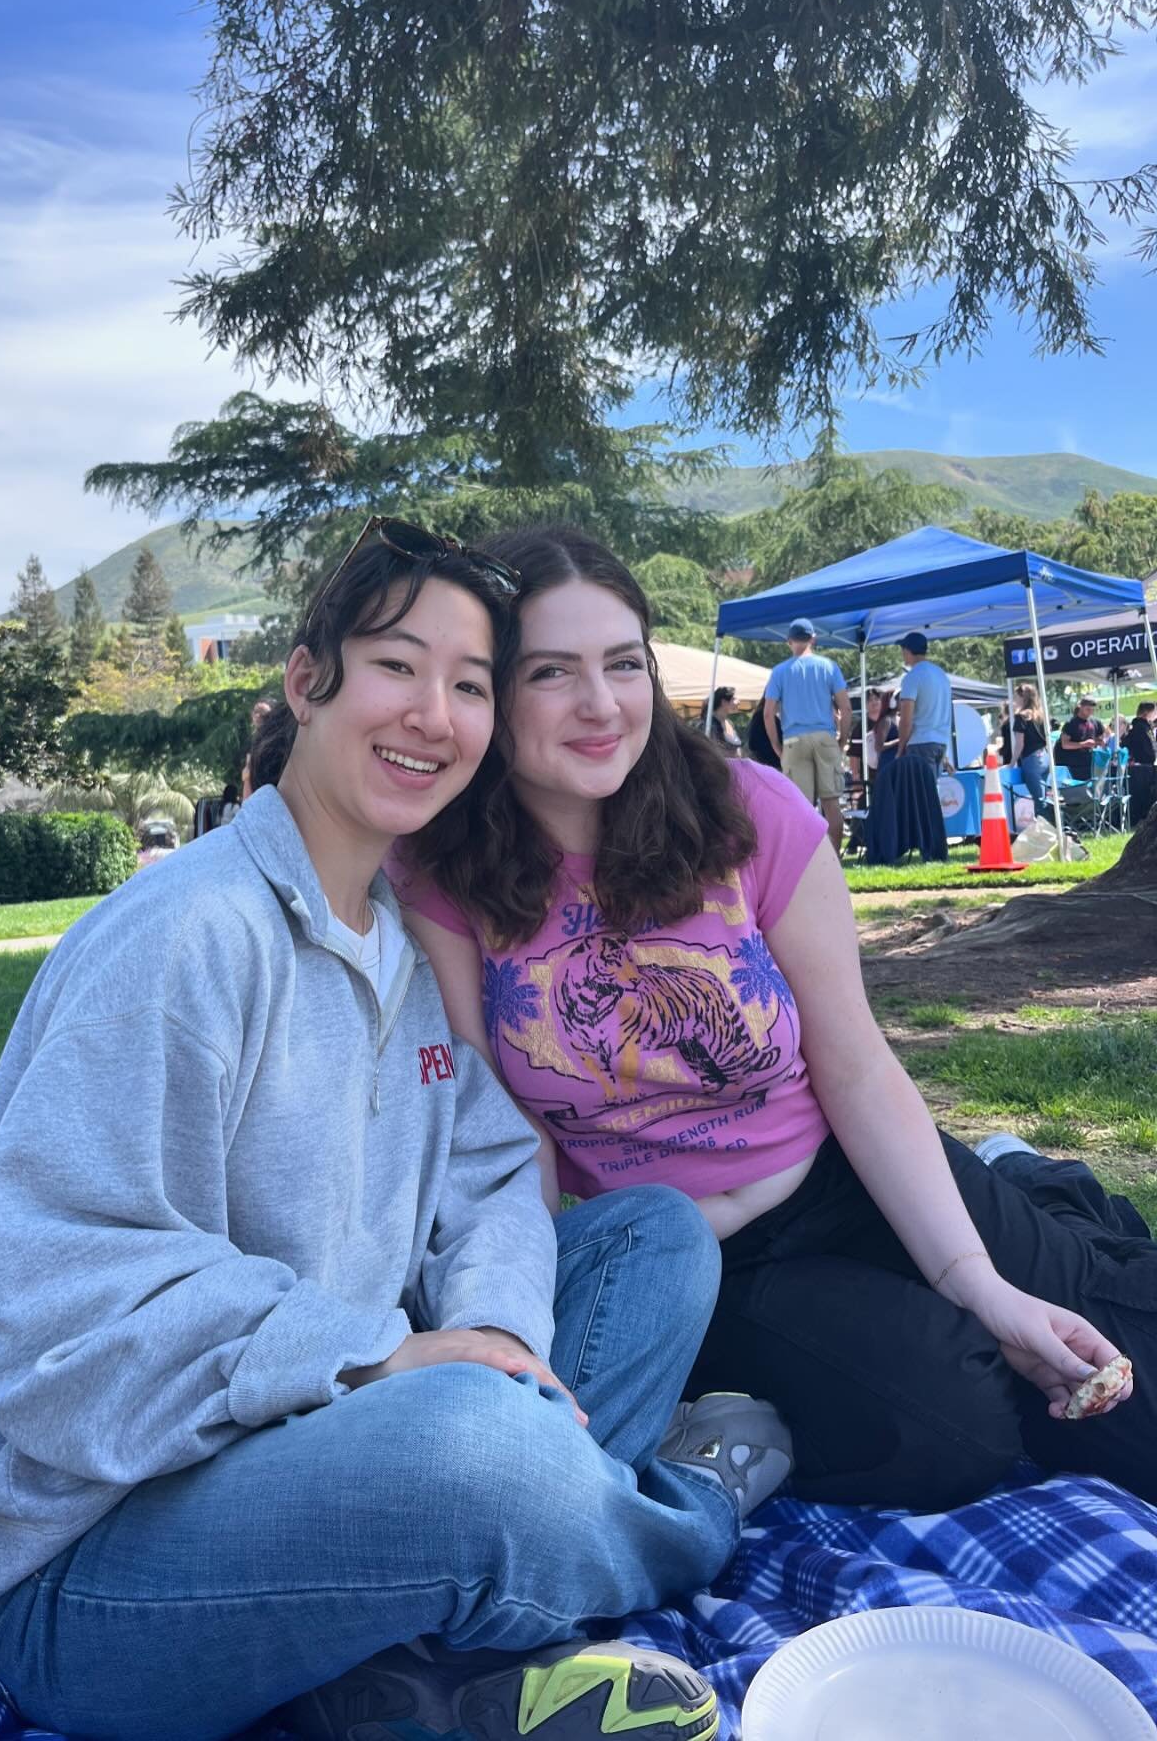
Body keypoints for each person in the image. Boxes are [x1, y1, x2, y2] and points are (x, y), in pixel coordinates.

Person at [0, 517, 784, 1741]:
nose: (433, 712)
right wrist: (377, 1359)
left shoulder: (392, 941)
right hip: (93, 1563)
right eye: (396, 664)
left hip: (320, 1437)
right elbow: (52, 1313)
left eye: (472, 684)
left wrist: (484, 1328)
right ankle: (685, 1514)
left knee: (653, 1239)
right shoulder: (187, 937)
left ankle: (408, 1660)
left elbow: (488, 1171)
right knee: (475, 1450)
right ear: (306, 680)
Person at [397, 525, 1153, 1518]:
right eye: (550, 672)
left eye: (623, 664)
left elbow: (854, 1064)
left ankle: (1034, 1196)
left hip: (846, 1169)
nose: (600, 705)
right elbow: (506, 1131)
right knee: (952, 1428)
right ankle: (1027, 1219)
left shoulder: (746, 812)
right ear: (492, 688)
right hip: (692, 1258)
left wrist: (977, 1278)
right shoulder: (445, 874)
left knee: (1117, 1375)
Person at [762, 619, 852, 855]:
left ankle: (806, 864)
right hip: (824, 737)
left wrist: (776, 745)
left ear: (789, 642)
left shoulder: (780, 671)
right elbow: (846, 707)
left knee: (800, 807)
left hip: (793, 740)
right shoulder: (829, 667)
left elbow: (768, 713)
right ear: (813, 639)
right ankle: (834, 860)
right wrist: (841, 741)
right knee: (832, 803)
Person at [895, 631, 952, 781]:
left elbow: (906, 720)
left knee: (921, 796)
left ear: (907, 651)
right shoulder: (941, 675)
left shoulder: (912, 677)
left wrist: (900, 749)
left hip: (920, 743)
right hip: (941, 742)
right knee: (932, 793)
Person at [1009, 683, 1050, 813]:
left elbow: (1020, 744)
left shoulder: (1021, 716)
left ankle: (1046, 830)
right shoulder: (1041, 715)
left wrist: (1012, 763)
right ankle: (1051, 827)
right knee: (1044, 798)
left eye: (1016, 697)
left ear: (1024, 698)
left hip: (1031, 760)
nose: (1014, 700)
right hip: (1045, 757)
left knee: (1039, 801)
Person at [1057, 695, 1102, 781]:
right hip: (1074, 766)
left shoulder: (1095, 722)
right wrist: (1083, 744)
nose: (1090, 712)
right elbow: (1065, 744)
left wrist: (1098, 742)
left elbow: (1100, 739)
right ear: (1081, 707)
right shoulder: (1071, 723)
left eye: (1093, 710)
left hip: (1090, 764)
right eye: (1088, 709)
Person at [744, 694, 782, 769]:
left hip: (768, 763)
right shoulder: (761, 717)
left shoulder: (761, 716)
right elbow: (753, 743)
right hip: (768, 763)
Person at [702, 686, 742, 755]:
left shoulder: (729, 723)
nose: (738, 702)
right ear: (723, 702)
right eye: (733, 699)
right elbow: (714, 751)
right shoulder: (709, 725)